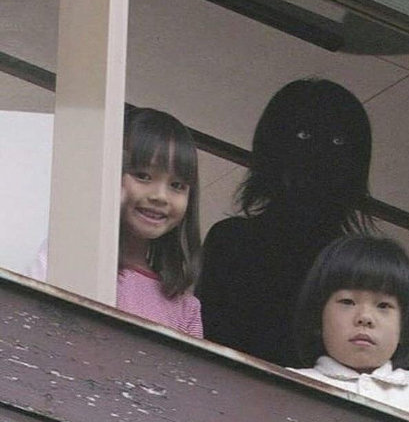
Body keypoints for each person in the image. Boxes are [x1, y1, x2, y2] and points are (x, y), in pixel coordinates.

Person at [196, 78, 373, 366]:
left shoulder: (362, 267)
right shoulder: (232, 242)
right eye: (304, 135)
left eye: (338, 141)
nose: (320, 154)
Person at [31, 105, 203, 338]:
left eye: (177, 185)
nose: (160, 196)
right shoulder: (69, 259)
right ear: (109, 172)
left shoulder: (185, 309)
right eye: (143, 176)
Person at [289, 236, 409, 422]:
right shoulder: (289, 385)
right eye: (348, 301)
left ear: (404, 327)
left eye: (383, 305)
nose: (365, 317)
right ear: (318, 318)